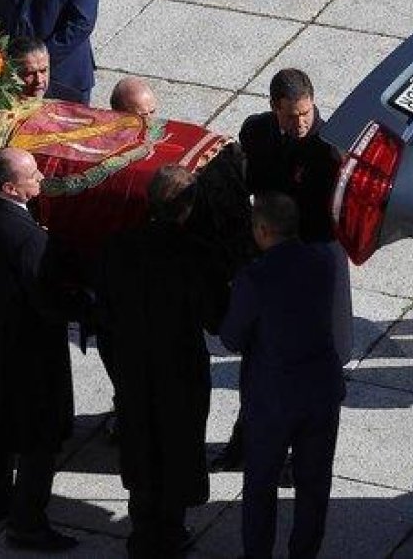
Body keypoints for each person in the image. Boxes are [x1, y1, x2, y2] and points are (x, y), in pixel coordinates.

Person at [214, 69, 352, 471]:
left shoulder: (330, 148)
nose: (301, 122)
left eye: (306, 113)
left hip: (311, 263)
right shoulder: (256, 132)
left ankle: (293, 453)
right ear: (275, 108)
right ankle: (245, 440)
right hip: (268, 259)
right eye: (292, 115)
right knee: (258, 358)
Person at [94, 165, 230, 557]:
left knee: (140, 439)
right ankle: (170, 529)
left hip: (133, 363)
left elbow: (104, 306)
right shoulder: (197, 254)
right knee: (178, 442)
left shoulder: (117, 246)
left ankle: (142, 528)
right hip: (180, 366)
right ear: (188, 208)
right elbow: (215, 318)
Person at [0, 147, 76, 550]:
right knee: (39, 437)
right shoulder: (29, 238)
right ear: (10, 188)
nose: (41, 178)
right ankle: (28, 523)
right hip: (29, 351)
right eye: (33, 175)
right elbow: (46, 300)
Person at [219, 193, 345, 559]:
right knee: (314, 484)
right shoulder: (323, 263)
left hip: (272, 397)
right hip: (320, 390)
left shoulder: (254, 278)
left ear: (262, 229)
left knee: (261, 484)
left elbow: (231, 338)